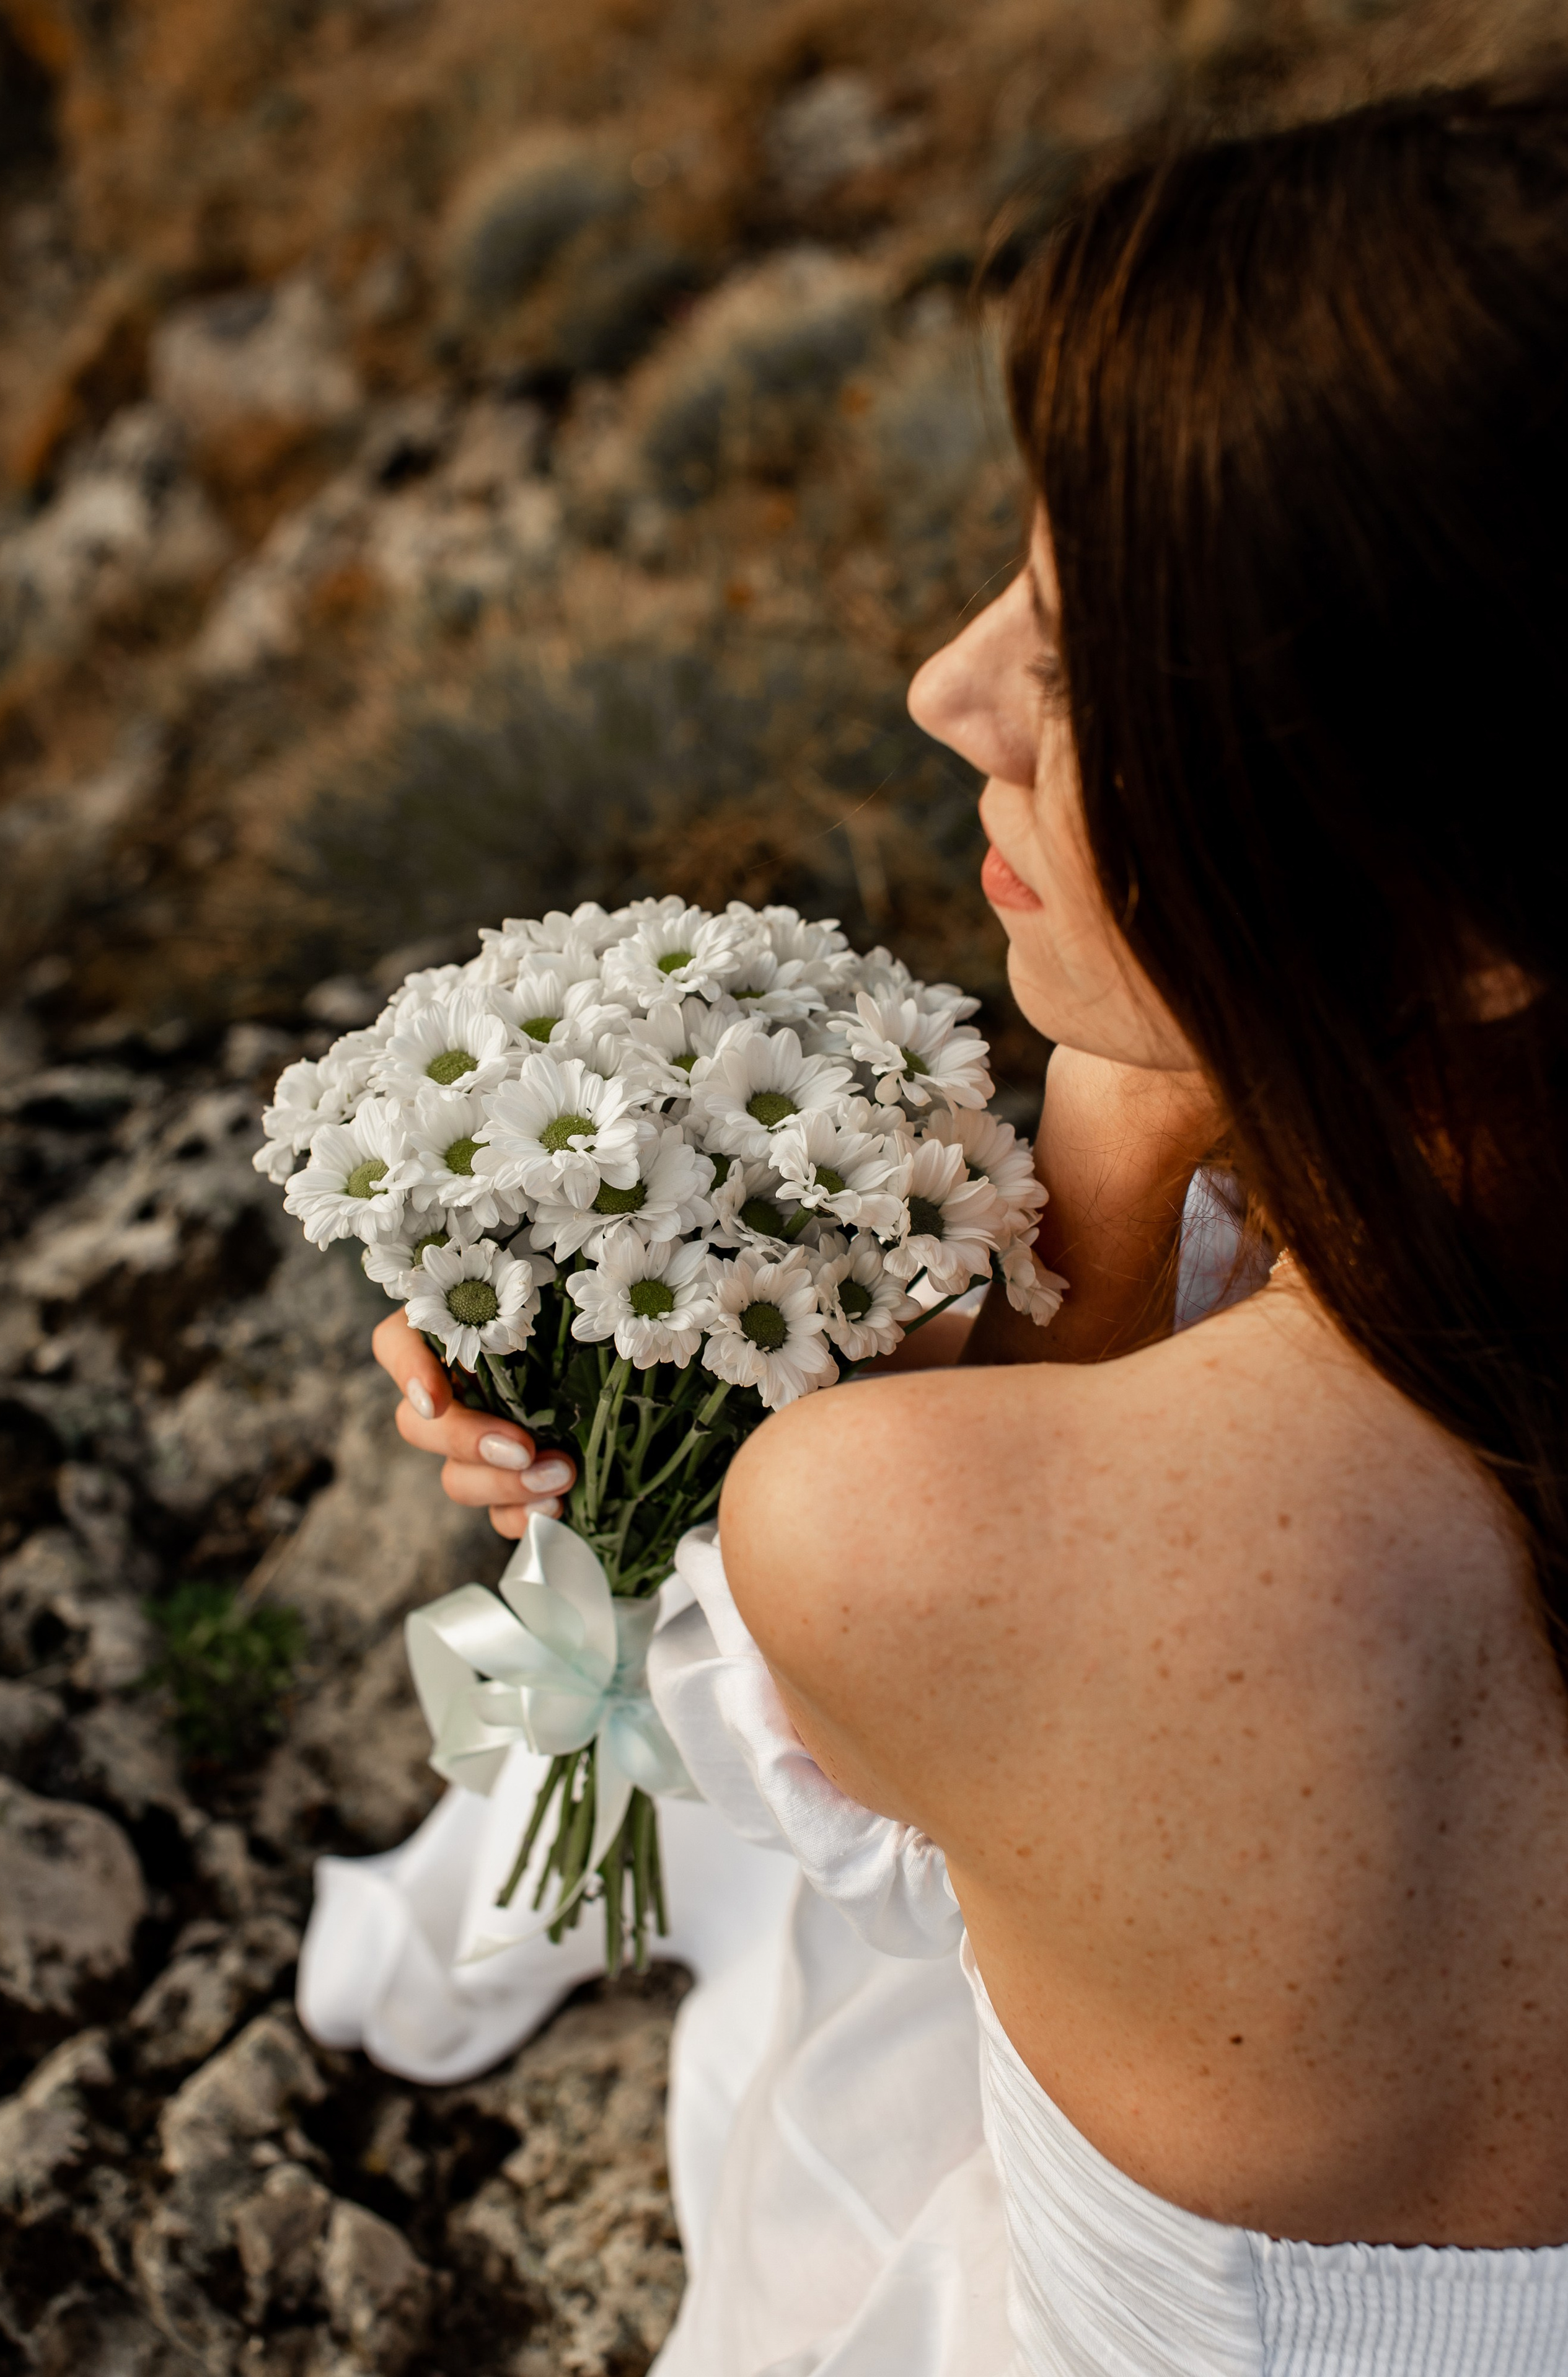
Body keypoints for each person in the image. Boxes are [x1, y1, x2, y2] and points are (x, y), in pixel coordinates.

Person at [320, 77, 1568, 2373]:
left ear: (1478, 899)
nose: (940, 688)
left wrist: (1091, 1201)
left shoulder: (929, 1526)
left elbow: (922, 1800)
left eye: (1092, 663)